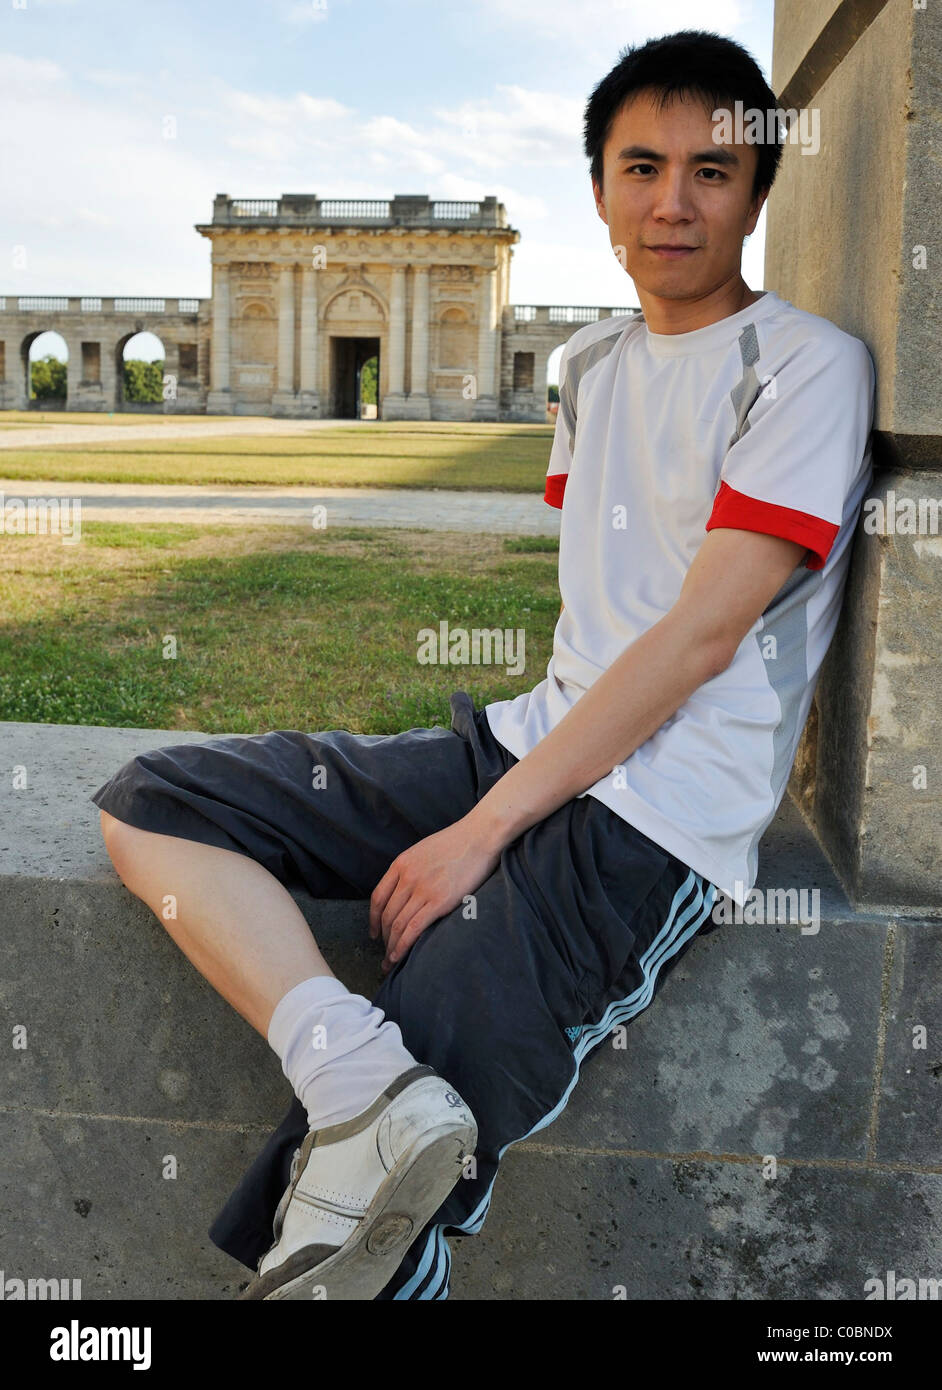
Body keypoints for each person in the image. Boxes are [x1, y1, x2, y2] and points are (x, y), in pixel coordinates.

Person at [92, 28, 875, 1301]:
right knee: (156, 803)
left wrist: (482, 832)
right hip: (523, 743)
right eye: (640, 166)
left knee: (402, 1142)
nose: (673, 200)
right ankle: (354, 1075)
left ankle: (368, 1178)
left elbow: (698, 635)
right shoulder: (588, 367)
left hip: (656, 817)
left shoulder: (806, 368)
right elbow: (603, 616)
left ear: (758, 193)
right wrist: (484, 794)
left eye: (712, 172)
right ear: (600, 192)